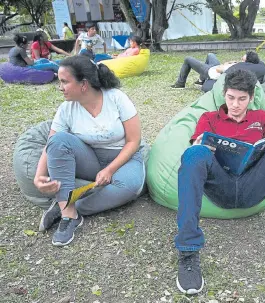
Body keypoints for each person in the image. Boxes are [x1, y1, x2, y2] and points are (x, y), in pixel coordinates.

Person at [174, 69, 265, 295]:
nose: (236, 104)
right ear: (223, 94)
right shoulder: (209, 118)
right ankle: (188, 249)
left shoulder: (261, 118)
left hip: (253, 184)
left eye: (242, 99)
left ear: (251, 98)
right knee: (193, 155)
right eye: (231, 98)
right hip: (222, 186)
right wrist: (201, 145)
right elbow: (197, 149)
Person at [33, 56, 145, 246]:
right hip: (90, 159)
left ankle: (65, 206)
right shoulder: (66, 108)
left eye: (64, 82)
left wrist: (110, 170)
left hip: (123, 158)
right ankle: (70, 216)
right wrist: (38, 177)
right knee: (58, 140)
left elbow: (134, 141)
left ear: (83, 84)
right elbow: (51, 144)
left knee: (130, 187)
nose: (60, 87)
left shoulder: (116, 98)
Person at [170, 53, 238, 89]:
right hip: (215, 67)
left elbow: (219, 69)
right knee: (210, 55)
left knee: (188, 59)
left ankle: (180, 83)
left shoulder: (236, 68)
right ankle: (201, 81)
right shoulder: (244, 65)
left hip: (211, 71)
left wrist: (225, 64)